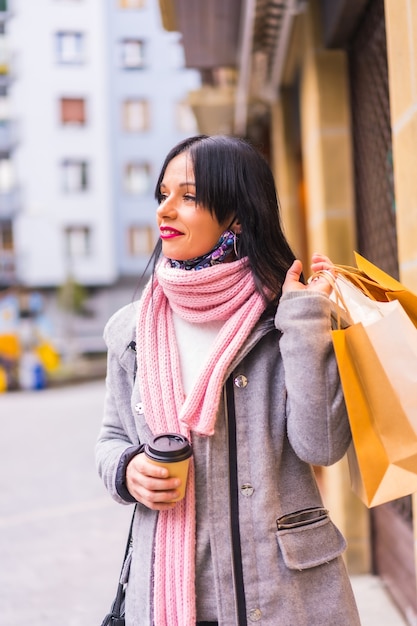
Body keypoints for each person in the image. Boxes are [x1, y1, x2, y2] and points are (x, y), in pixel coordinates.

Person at [96, 134, 361, 626]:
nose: (165, 211)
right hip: (168, 598)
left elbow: (321, 445)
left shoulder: (286, 317)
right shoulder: (132, 331)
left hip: (285, 596)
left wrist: (307, 319)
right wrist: (127, 470)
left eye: (189, 196)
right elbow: (112, 438)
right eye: (163, 195)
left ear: (236, 215)